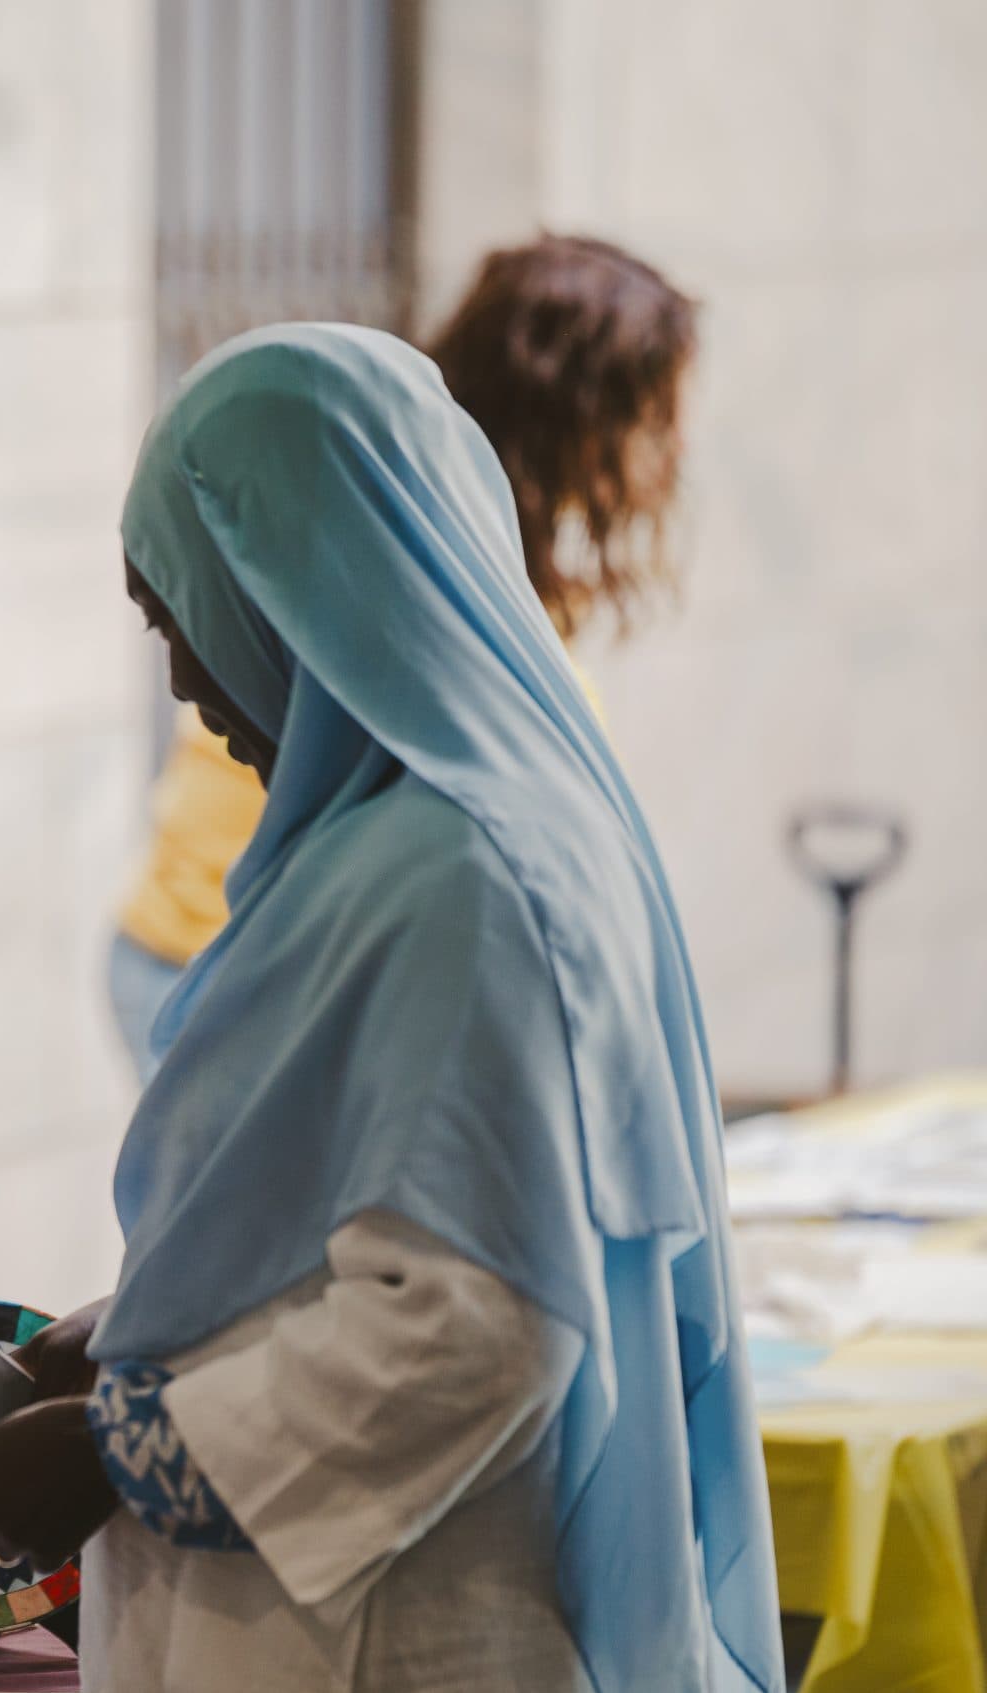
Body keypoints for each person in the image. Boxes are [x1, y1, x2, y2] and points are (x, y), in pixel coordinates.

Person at [0, 325, 778, 1693]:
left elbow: (476, 1322)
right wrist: (149, 1321)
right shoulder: (419, 838)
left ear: (295, 588)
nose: (191, 693)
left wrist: (126, 1446)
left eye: (180, 615)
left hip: (392, 1641)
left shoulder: (465, 872)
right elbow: (357, 1209)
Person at [109, 234, 697, 1078]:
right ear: (588, 407)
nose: (671, 453)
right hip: (223, 956)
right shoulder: (411, 538)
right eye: (656, 414)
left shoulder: (434, 524)